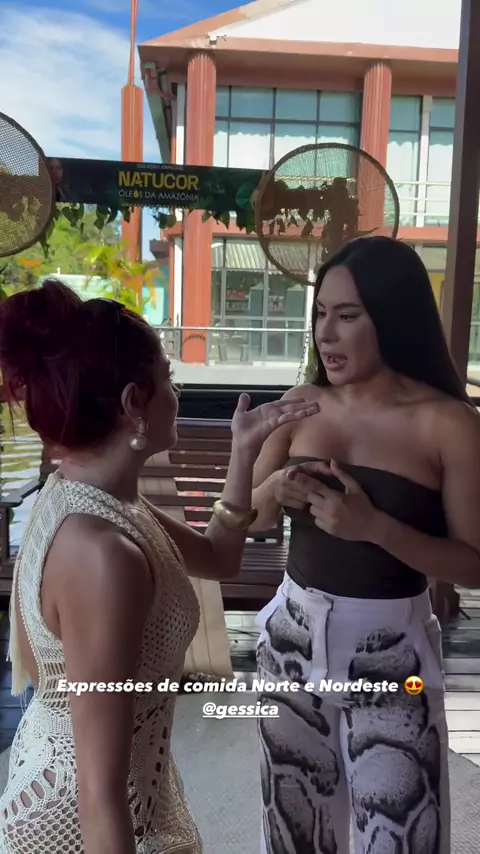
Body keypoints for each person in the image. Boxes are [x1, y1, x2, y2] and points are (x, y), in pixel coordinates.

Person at [0, 278, 319, 854]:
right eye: (169, 378)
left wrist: (244, 451)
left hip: (118, 793)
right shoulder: (100, 555)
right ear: (132, 403)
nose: (177, 392)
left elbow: (218, 558)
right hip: (75, 825)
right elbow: (99, 791)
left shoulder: (103, 499)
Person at [249, 236, 480, 854]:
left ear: (393, 316)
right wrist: (275, 487)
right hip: (291, 643)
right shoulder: (300, 405)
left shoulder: (448, 424)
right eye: (321, 313)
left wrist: (375, 527)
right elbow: (248, 516)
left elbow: (474, 565)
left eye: (348, 315)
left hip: (394, 659)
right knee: (293, 836)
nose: (326, 333)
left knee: (403, 837)